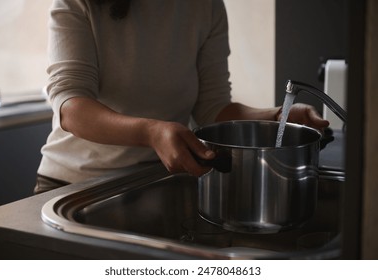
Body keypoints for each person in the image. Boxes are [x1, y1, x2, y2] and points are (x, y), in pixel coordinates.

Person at [35, 0, 329, 194]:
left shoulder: (206, 6)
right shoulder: (77, 3)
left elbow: (212, 107)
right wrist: (151, 132)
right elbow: (71, 108)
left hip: (154, 182)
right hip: (74, 185)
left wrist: (278, 117)